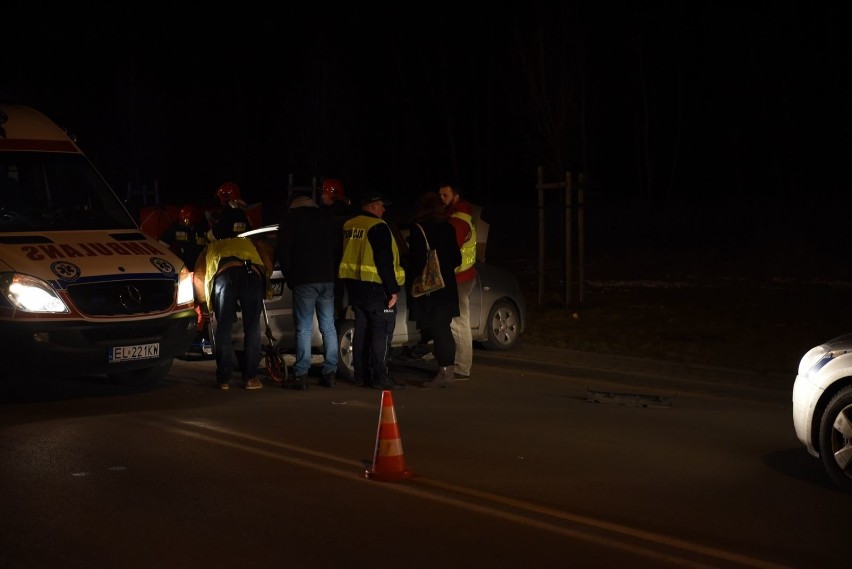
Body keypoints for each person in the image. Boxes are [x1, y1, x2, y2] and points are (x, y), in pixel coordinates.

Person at [194, 209, 274, 390]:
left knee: (223, 328)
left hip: (225, 278)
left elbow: (199, 277)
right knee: (252, 328)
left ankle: (224, 379)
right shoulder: (251, 244)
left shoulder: (211, 248)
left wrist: (203, 305)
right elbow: (267, 260)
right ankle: (251, 378)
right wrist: (265, 280)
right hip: (251, 276)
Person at [338, 190, 406, 390]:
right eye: (382, 205)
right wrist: (392, 288)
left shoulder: (349, 225)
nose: (384, 209)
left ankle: (361, 375)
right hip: (377, 288)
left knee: (362, 330)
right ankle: (380, 377)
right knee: (381, 332)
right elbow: (383, 259)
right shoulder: (377, 226)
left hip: (355, 287)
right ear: (373, 206)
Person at [277, 194, 340, 390]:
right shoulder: (325, 219)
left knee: (303, 327)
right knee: (328, 326)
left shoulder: (291, 220)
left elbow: (283, 251)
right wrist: (332, 272)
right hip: (327, 279)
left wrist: (290, 277)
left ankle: (301, 375)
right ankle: (330, 372)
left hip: (304, 279)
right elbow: (337, 248)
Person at [407, 192, 462, 388]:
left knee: (439, 329)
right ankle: (447, 371)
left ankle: (445, 372)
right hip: (446, 286)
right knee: (443, 327)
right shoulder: (447, 227)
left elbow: (416, 260)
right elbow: (457, 259)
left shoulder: (418, 228)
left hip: (430, 289)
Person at [159, 203, 210, 353]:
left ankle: (203, 333)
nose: (185, 223)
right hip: (186, 273)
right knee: (188, 305)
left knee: (203, 304)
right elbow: (162, 245)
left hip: (202, 272)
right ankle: (191, 333)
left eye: (187, 221)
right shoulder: (175, 228)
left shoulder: (203, 229)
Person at [439, 182, 478, 380]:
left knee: (458, 322)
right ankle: (458, 362)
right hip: (465, 275)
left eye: (445, 195)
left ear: (456, 196)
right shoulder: (461, 216)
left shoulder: (457, 221)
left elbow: (449, 252)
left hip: (458, 278)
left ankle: (462, 367)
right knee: (457, 322)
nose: (441, 199)